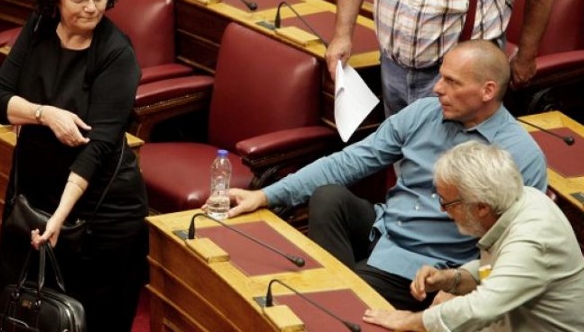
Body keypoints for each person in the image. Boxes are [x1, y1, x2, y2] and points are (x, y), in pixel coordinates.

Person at [212, 40, 547, 311]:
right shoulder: (423, 113)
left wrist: (462, 285)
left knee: (340, 295)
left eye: (452, 82)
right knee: (329, 196)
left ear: (488, 91)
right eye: (441, 77)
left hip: (431, 266)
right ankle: (339, 294)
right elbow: (349, 161)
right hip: (384, 229)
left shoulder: (520, 155)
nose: (437, 88)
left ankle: (337, 300)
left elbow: (515, 244)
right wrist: (266, 195)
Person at [0, 0, 147, 332]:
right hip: (32, 194)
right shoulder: (39, 26)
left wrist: (59, 216)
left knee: (84, 321)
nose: (92, 7)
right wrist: (45, 114)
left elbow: (98, 147)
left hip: (98, 210)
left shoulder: (117, 53)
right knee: (17, 309)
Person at [363, 141, 584, 331]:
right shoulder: (521, 198)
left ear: (481, 207)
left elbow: (480, 309)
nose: (442, 210)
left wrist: (410, 320)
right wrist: (451, 278)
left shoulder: (532, 240)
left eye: (447, 203)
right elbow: (496, 269)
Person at [325, 0, 556, 116]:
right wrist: (342, 35)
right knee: (401, 152)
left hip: (463, 77)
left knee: (452, 160)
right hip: (392, 66)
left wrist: (526, 57)